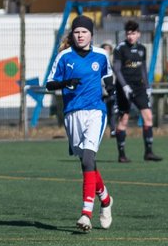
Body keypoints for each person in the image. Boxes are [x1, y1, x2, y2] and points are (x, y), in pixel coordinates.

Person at [45, 15, 115, 232]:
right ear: (72, 35)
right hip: (72, 114)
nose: (80, 35)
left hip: (95, 111)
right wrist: (65, 82)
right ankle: (105, 199)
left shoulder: (102, 56)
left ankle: (86, 214)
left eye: (84, 32)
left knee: (88, 158)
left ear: (91, 35)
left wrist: (111, 89)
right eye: (77, 32)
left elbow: (108, 76)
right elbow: (49, 83)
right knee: (86, 162)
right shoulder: (64, 57)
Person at [111, 20, 162, 162]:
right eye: (128, 34)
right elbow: (116, 69)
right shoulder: (120, 48)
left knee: (148, 116)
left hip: (139, 88)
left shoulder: (142, 49)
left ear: (138, 34)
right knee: (124, 119)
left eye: (133, 33)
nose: (130, 36)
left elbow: (143, 69)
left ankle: (149, 152)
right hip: (124, 88)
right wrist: (124, 86)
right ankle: (121, 155)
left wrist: (147, 86)